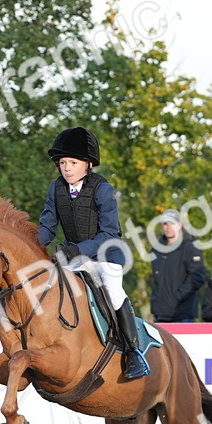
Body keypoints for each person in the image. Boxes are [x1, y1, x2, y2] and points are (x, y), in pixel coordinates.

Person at [37, 127, 149, 380]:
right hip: (74, 258)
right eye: (62, 163)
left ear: (88, 164)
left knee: (113, 292)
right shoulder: (56, 188)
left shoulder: (102, 189)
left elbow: (109, 234)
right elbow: (47, 226)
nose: (67, 169)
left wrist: (78, 249)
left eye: (73, 163)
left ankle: (134, 352)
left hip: (105, 257)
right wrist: (31, 244)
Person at [150, 210, 207, 323]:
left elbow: (198, 277)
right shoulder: (157, 250)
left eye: (172, 223)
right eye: (165, 223)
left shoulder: (190, 248)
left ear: (179, 225)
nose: (168, 227)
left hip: (183, 315)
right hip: (160, 315)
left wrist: (178, 296)